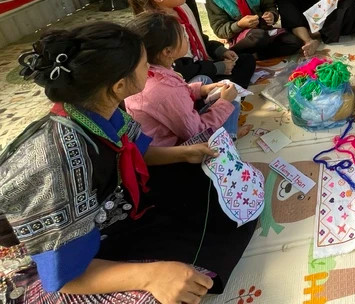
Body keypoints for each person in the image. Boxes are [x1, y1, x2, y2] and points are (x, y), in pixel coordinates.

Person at [0, 23, 255, 302]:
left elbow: (134, 150)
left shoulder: (99, 109)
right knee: (157, 293)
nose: (152, 70)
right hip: (54, 255)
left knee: (217, 192)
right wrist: (151, 276)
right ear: (120, 84)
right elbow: (63, 274)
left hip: (104, 212)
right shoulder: (57, 159)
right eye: (146, 65)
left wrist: (185, 153)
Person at [125, 0, 256, 89]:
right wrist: (216, 68)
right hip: (185, 79)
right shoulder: (158, 28)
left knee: (246, 60)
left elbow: (197, 38)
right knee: (213, 85)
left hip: (202, 65)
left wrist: (219, 50)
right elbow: (178, 69)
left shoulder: (182, 8)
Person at [126, 12, 251, 144]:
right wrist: (224, 103)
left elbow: (176, 92)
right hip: (177, 148)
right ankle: (227, 141)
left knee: (204, 80)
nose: (187, 39)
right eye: (184, 36)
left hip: (166, 128)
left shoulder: (150, 70)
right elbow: (196, 133)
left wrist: (202, 89)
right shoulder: (166, 90)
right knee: (231, 103)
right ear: (168, 52)